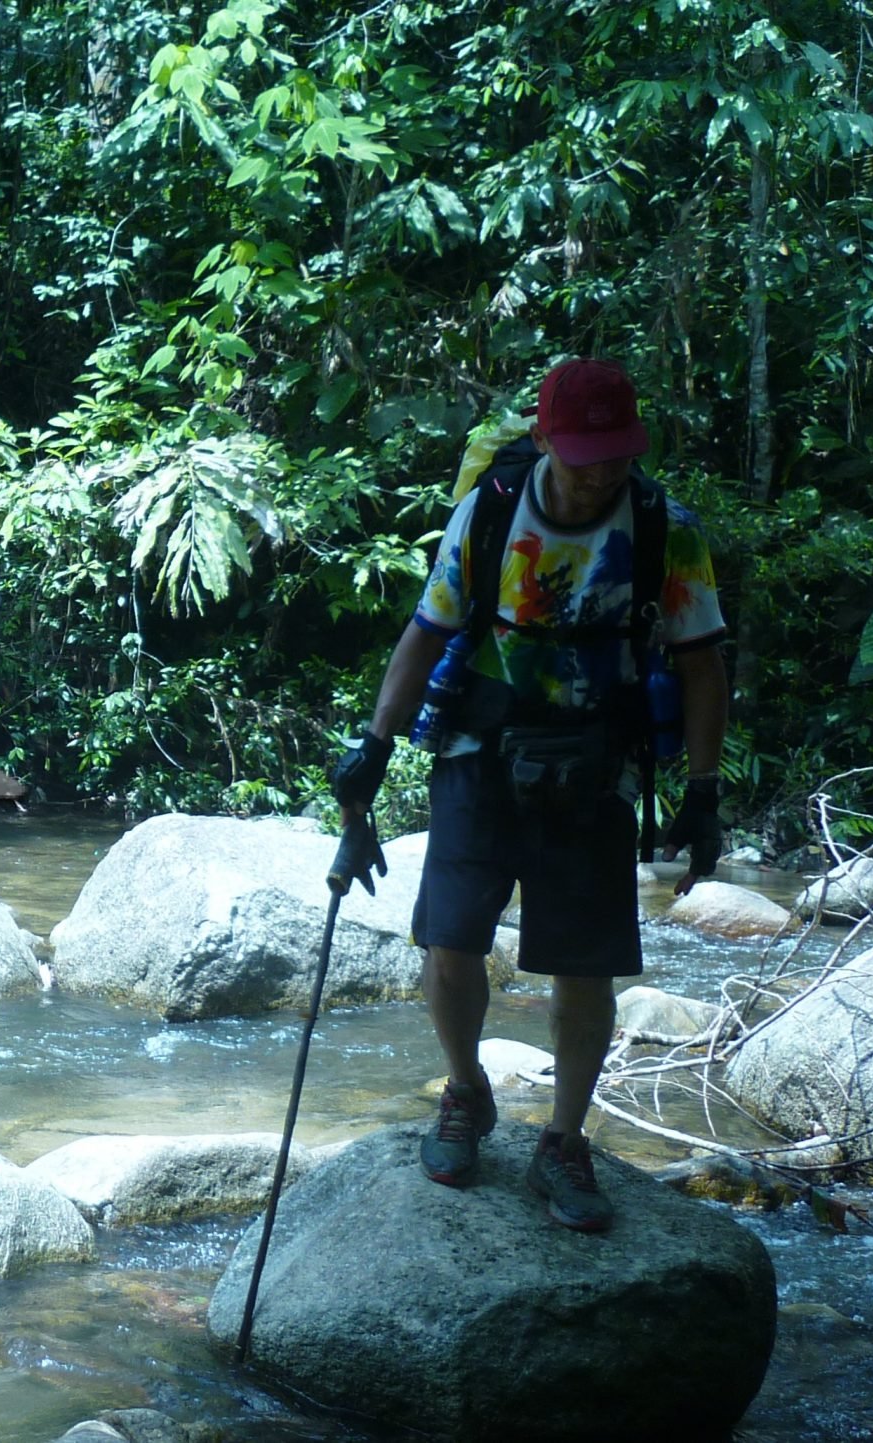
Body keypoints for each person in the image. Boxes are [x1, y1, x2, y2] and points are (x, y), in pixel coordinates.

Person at [331, 359, 728, 1233]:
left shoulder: (665, 526)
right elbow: (427, 627)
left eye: (615, 453)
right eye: (583, 453)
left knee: (584, 963)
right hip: (481, 744)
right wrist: (375, 743)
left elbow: (702, 661)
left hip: (596, 764)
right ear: (545, 438)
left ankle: (563, 1137)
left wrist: (704, 788)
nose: (600, 472)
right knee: (450, 933)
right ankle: (467, 1088)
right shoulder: (493, 510)